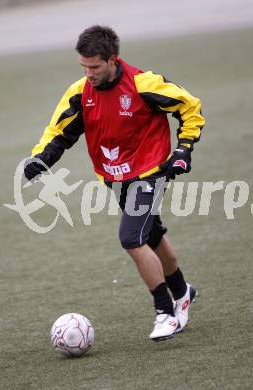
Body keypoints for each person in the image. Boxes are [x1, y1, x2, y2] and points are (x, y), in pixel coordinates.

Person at [24, 25, 205, 341]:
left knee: (131, 237)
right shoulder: (80, 92)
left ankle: (165, 312)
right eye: (83, 66)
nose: (88, 73)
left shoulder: (143, 83)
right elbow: (60, 131)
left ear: (112, 60)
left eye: (94, 66)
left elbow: (189, 107)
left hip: (150, 172)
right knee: (151, 235)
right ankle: (181, 290)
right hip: (115, 178)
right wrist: (40, 159)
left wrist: (184, 149)